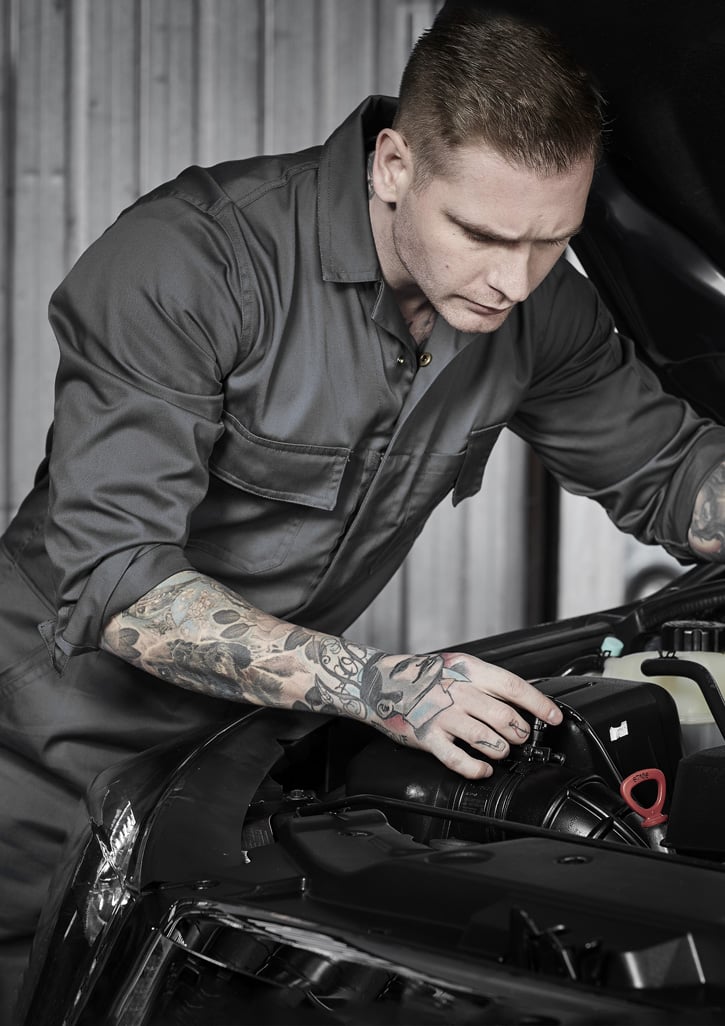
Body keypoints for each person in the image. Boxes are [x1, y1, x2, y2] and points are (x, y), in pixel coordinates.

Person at [3, 5, 725, 1020]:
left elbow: (672, 474)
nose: (511, 280)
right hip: (43, 768)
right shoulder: (191, 261)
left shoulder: (535, 305)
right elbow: (118, 580)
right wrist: (383, 686)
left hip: (251, 771)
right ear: (393, 166)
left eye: (549, 240)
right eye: (480, 234)